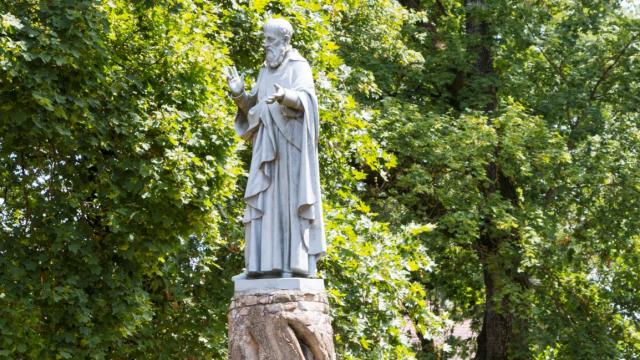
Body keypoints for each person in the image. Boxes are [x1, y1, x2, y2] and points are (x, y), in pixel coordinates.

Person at [225, 18, 325, 278]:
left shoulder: (298, 66)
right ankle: (259, 267)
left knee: (288, 207)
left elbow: (308, 102)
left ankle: (292, 267)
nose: (265, 44)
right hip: (266, 150)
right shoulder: (265, 70)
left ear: (285, 41)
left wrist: (286, 96)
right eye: (265, 39)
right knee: (266, 206)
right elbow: (253, 109)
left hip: (291, 150)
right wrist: (239, 95)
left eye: (270, 40)